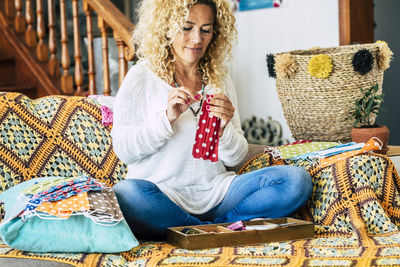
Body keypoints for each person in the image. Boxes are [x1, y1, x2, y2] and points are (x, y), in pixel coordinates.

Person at [111, 0, 313, 240]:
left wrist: (225, 130)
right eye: (187, 27)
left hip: (218, 193)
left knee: (296, 181)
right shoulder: (141, 77)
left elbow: (235, 158)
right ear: (166, 26)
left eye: (206, 29)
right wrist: (165, 119)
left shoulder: (219, 79)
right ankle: (217, 229)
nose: (197, 39)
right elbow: (124, 150)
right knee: (126, 194)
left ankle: (200, 230)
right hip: (164, 195)